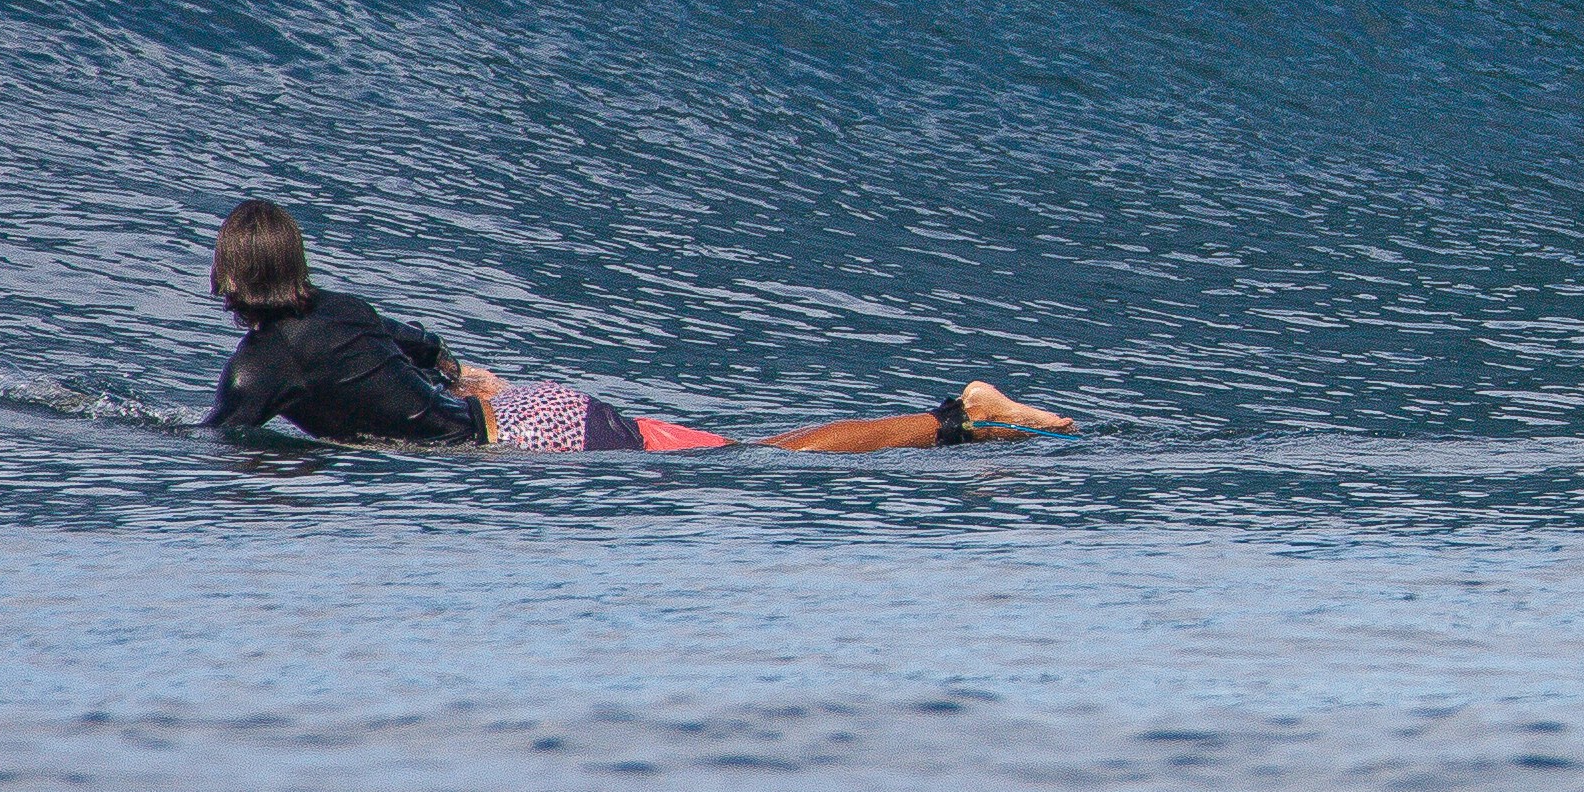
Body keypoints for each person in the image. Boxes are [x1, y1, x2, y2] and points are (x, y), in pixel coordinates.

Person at [198, 200, 1070, 456]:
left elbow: (215, 442)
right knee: (751, 450)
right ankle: (957, 415)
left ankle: (957, 416)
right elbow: (426, 347)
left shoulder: (259, 366)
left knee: (766, 460)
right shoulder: (341, 309)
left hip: (531, 449)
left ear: (231, 275)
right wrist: (471, 379)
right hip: (543, 410)